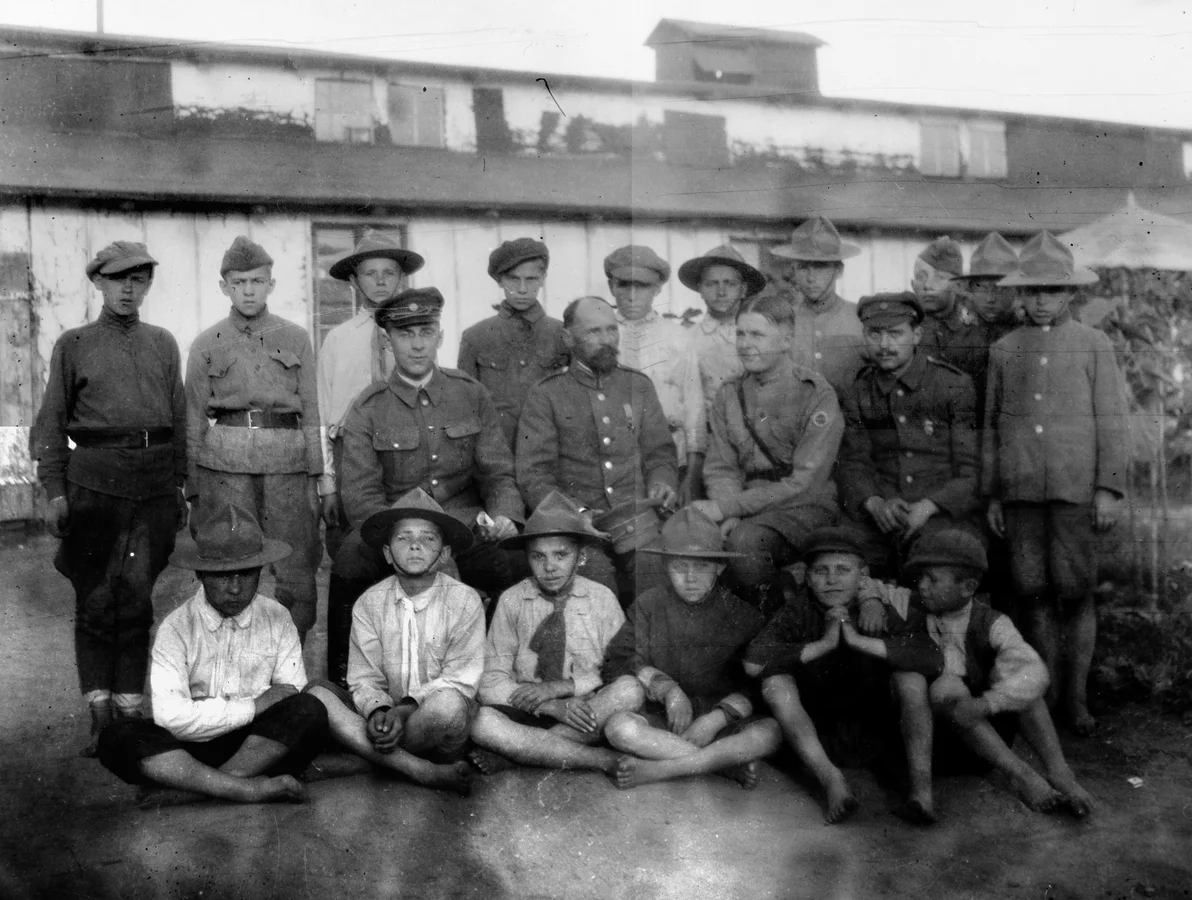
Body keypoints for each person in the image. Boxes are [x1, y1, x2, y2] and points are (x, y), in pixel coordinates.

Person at [30, 240, 188, 756]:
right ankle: (99, 714)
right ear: (98, 282)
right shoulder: (73, 344)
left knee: (138, 599)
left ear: (148, 285)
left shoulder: (163, 343)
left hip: (154, 487)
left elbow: (180, 420)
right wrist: (55, 491)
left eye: (138, 279)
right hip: (94, 487)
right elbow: (52, 423)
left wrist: (180, 484)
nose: (128, 289)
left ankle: (130, 711)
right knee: (96, 601)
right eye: (118, 279)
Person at [327, 287, 524, 685]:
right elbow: (362, 497)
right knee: (350, 559)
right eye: (406, 334)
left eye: (426, 332)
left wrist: (505, 515)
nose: (418, 344)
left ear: (440, 336)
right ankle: (345, 683)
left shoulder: (470, 393)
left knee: (517, 561)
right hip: (396, 528)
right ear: (388, 340)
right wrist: (407, 538)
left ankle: (498, 678)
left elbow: (498, 473)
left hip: (466, 528)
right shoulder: (368, 407)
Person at [985, 231, 1127, 735]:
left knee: (1077, 592)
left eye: (1053, 290)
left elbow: (1112, 419)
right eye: (1033, 290)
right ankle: (1044, 694)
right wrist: (994, 492)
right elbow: (991, 425)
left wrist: (1108, 487)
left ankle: (1077, 697)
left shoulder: (1093, 344)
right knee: (1034, 593)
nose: (1042, 300)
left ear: (1070, 293)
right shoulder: (1004, 349)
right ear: (1020, 294)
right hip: (1021, 490)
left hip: (1075, 489)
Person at [96, 503, 328, 804]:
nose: (235, 588)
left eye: (246, 574)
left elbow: (290, 694)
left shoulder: (277, 617)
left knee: (309, 709)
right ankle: (243, 788)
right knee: (116, 736)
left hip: (255, 744)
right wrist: (254, 706)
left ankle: (198, 788)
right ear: (200, 574)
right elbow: (172, 718)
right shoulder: (176, 627)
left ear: (260, 570)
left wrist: (216, 711)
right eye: (223, 576)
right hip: (191, 746)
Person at [744, 526, 943, 825]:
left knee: (911, 679)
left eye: (843, 570)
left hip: (876, 729)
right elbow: (752, 663)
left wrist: (857, 639)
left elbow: (932, 658)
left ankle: (921, 794)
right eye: (821, 571)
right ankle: (831, 780)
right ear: (808, 577)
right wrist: (824, 644)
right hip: (817, 729)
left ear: (863, 577)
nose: (832, 580)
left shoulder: (881, 607)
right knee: (775, 684)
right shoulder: (798, 610)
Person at [185, 236, 323, 641]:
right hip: (225, 467)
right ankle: (230, 660)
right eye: (239, 282)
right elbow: (193, 419)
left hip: (287, 465)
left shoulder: (295, 337)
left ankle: (293, 659)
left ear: (271, 285)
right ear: (224, 287)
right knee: (230, 564)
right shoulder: (206, 343)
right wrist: (194, 489)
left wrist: (317, 477)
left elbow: (312, 411)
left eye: (257, 281)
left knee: (295, 567)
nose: (248, 290)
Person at [906, 527, 1094, 817]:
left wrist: (987, 703)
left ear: (968, 588)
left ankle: (1059, 772)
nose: (922, 586)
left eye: (932, 579)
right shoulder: (913, 610)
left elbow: (1035, 672)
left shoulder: (991, 623)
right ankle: (1021, 775)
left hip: (984, 734)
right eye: (920, 578)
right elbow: (872, 587)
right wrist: (871, 601)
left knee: (1024, 685)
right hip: (937, 740)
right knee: (945, 688)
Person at [307, 489, 483, 794]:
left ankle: (364, 760)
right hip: (385, 721)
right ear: (388, 554)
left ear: (444, 554)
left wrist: (402, 712)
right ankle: (418, 769)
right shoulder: (370, 602)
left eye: (428, 538)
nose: (415, 545)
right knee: (317, 694)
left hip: (429, 721)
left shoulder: (464, 600)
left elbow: (461, 680)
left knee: (449, 705)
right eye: (403, 538)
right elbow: (364, 679)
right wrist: (378, 712)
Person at [602, 508, 782, 789]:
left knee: (771, 732)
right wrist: (668, 690)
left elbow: (755, 684)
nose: (690, 578)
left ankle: (666, 768)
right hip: (663, 721)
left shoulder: (744, 615)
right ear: (666, 567)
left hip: (719, 723)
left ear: (719, 567)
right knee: (618, 728)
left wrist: (716, 719)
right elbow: (619, 657)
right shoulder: (649, 604)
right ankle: (722, 767)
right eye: (680, 567)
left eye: (701, 567)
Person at [516, 296, 678, 604]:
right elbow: (534, 475)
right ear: (568, 338)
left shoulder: (638, 386)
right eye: (594, 332)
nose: (607, 340)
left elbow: (660, 453)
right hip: (578, 529)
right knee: (595, 581)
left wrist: (662, 481)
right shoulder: (546, 395)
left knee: (653, 573)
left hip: (637, 520)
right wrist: (576, 515)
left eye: (611, 329)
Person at [469, 490, 642, 777]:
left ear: (581, 557)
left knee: (629, 689)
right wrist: (550, 705)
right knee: (480, 721)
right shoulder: (512, 600)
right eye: (538, 556)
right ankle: (599, 759)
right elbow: (490, 682)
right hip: (530, 711)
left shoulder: (601, 599)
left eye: (561, 555)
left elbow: (618, 668)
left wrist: (564, 688)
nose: (549, 567)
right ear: (527, 558)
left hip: (585, 712)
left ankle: (522, 755)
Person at [691, 294, 842, 610]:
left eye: (757, 335)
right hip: (747, 510)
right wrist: (732, 512)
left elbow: (805, 483)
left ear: (786, 340)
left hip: (804, 508)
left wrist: (730, 508)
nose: (745, 344)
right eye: (741, 334)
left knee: (744, 544)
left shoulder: (815, 393)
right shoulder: (729, 394)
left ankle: (776, 624)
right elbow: (721, 467)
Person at [837, 292, 982, 578]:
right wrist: (873, 502)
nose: (884, 345)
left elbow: (971, 470)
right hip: (880, 512)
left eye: (895, 334)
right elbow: (853, 462)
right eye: (874, 334)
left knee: (939, 567)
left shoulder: (952, 385)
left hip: (939, 511)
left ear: (916, 335)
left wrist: (929, 506)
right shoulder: (858, 390)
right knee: (841, 561)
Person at [318, 230, 426, 559]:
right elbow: (322, 416)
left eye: (389, 273)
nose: (380, 281)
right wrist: (328, 485)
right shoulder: (338, 340)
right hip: (350, 455)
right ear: (354, 281)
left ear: (401, 278)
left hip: (404, 454)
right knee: (353, 549)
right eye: (370, 273)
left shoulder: (415, 339)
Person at [603, 245, 702, 500]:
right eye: (624, 285)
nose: (632, 296)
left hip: (668, 456)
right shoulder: (601, 335)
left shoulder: (677, 337)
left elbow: (694, 407)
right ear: (611, 286)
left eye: (642, 286)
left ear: (657, 288)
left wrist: (691, 474)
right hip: (613, 459)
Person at [457, 238, 568, 449]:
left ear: (543, 279)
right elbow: (466, 409)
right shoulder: (475, 337)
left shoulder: (562, 335)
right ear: (500, 280)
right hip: (495, 453)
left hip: (549, 451)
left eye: (531, 279)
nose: (522, 289)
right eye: (513, 279)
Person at [676, 245, 768, 499]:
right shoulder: (689, 340)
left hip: (760, 441)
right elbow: (691, 408)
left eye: (730, 283)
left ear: (743, 289)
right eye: (711, 284)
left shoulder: (760, 334)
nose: (721, 291)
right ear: (700, 289)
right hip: (711, 445)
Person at [767, 216, 866, 394]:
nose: (811, 277)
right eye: (803, 267)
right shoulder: (782, 321)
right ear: (794, 270)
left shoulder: (861, 318)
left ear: (839, 270)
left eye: (820, 266)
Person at [949, 232, 1022, 425]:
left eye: (1001, 288)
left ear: (1017, 289)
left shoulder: (1029, 338)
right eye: (982, 287)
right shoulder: (957, 341)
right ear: (970, 289)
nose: (990, 298)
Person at [911, 237, 984, 388]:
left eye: (940, 277)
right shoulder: (905, 333)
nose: (928, 285)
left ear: (959, 285)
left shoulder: (976, 334)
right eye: (920, 276)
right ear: (912, 284)